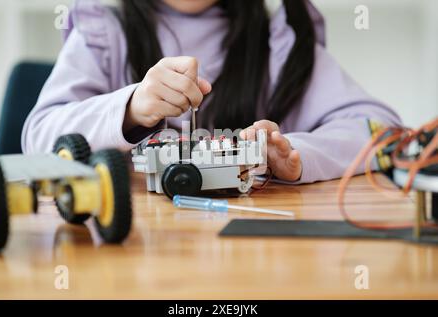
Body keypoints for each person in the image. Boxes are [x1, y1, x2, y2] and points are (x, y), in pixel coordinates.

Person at [21, 0, 402, 183]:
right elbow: (40, 137)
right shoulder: (104, 32)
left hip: (255, 257)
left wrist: (296, 154)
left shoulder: (278, 41)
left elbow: (381, 132)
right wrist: (130, 109)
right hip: (129, 252)